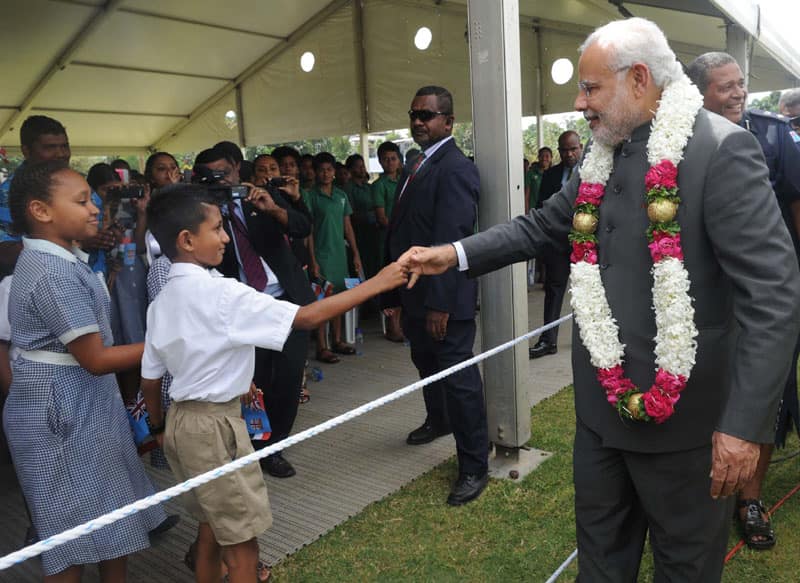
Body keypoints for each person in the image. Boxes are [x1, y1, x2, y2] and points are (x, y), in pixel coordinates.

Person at [398, 18, 800, 581]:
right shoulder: (600, 152)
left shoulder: (721, 150)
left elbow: (773, 296)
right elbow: (541, 226)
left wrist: (744, 426)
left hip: (689, 429)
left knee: (685, 570)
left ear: (639, 79)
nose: (580, 102)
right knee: (601, 568)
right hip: (600, 420)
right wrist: (452, 254)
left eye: (590, 88)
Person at [140, 184, 408, 583]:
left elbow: (150, 376)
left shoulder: (162, 298)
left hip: (182, 424)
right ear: (187, 239)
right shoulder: (222, 292)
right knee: (243, 544)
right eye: (217, 229)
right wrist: (380, 282)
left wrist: (161, 427)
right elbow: (305, 318)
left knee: (212, 526)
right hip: (216, 427)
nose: (227, 237)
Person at [3, 160, 169, 581]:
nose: (94, 209)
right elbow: (94, 358)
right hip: (58, 410)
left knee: (111, 506)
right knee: (69, 527)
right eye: (82, 201)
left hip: (84, 402)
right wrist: (170, 348)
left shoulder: (68, 259)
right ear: (42, 211)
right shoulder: (49, 270)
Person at [688, 50, 800, 551]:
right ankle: (700, 489)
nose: (738, 94)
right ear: (698, 93)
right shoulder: (678, 140)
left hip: (761, 293)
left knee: (764, 396)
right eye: (725, 86)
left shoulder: (773, 133)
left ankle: (750, 500)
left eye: (741, 84)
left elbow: (796, 207)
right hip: (703, 299)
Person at [382, 85, 489, 506]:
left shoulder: (456, 167)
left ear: (448, 122)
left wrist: (440, 303)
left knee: (460, 381)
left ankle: (474, 465)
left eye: (427, 115)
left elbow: (452, 239)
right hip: (412, 295)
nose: (418, 122)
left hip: (443, 301)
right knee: (425, 365)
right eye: (414, 114)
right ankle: (437, 420)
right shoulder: (416, 164)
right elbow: (402, 230)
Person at [193, 147, 314, 480]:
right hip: (243, 309)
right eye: (209, 177)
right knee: (253, 381)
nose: (219, 182)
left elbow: (302, 227)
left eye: (223, 174)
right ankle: (251, 447)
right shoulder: (199, 213)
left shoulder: (263, 196)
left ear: (236, 169)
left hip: (287, 302)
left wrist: (274, 208)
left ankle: (274, 448)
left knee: (288, 380)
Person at [529, 132, 582, 359]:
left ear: (580, 147)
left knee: (588, 292)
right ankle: (548, 341)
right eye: (564, 150)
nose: (569, 154)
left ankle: (586, 342)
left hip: (586, 242)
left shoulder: (595, 171)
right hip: (558, 243)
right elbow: (542, 209)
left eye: (573, 149)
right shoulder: (550, 175)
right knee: (553, 290)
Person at [305, 152, 363, 363]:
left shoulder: (340, 195)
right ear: (315, 172)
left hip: (339, 254)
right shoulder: (310, 196)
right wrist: (312, 260)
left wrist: (355, 254)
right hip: (321, 254)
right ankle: (322, 346)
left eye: (329, 169)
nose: (326, 173)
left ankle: (337, 341)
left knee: (338, 299)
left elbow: (348, 227)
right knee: (322, 301)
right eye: (321, 170)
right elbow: (308, 231)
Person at [372, 141, 404, 342]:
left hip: (406, 240)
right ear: (380, 162)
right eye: (386, 159)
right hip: (389, 240)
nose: (390, 162)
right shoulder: (378, 186)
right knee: (392, 283)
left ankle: (402, 325)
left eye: (393, 158)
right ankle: (393, 328)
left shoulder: (406, 180)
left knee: (405, 281)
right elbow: (381, 217)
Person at [524, 146, 552, 212]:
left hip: (550, 211)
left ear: (551, 158)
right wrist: (527, 213)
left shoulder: (554, 174)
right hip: (534, 211)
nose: (544, 158)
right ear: (538, 157)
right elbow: (526, 196)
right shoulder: (530, 173)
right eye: (542, 156)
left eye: (547, 156)